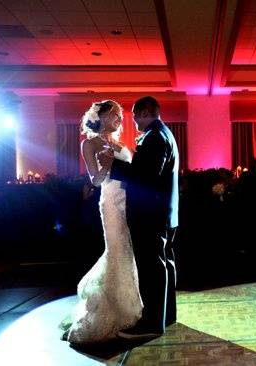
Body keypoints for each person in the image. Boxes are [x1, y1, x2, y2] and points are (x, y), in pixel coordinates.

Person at [60, 100, 143, 344]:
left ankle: (131, 305)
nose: (120, 118)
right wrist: (106, 167)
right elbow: (95, 181)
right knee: (116, 249)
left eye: (120, 115)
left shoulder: (119, 143)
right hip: (111, 203)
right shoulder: (90, 143)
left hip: (130, 202)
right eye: (115, 114)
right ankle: (111, 309)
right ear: (102, 116)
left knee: (130, 252)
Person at [100, 96, 179, 338]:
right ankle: (167, 315)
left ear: (145, 112)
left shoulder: (155, 136)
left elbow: (146, 176)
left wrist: (113, 165)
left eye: (135, 116)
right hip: (163, 211)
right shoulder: (164, 133)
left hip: (150, 213)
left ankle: (152, 323)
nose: (133, 121)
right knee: (164, 262)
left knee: (152, 266)